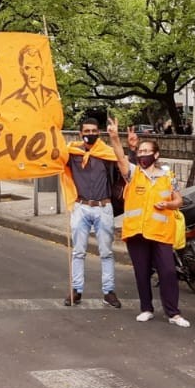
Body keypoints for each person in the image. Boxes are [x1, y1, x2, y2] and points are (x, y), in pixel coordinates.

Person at [107, 121, 189, 326]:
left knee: (168, 272)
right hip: (137, 232)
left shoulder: (168, 176)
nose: (143, 154)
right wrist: (115, 138)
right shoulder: (134, 174)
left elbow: (179, 200)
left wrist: (169, 204)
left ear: (156, 155)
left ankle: (173, 313)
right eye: (140, 151)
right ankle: (146, 308)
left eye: (147, 151)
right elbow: (119, 158)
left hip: (161, 232)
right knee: (141, 271)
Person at [59, 116, 122, 308]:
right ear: (81, 133)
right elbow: (53, 156)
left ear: (99, 132)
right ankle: (76, 290)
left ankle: (108, 291)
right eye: (87, 131)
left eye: (94, 131)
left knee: (106, 252)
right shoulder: (72, 153)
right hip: (81, 207)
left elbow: (123, 162)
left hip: (103, 207)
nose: (90, 134)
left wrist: (119, 139)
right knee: (78, 252)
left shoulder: (107, 153)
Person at [5, 45, 61, 113]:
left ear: (42, 70)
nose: (33, 74)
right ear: (21, 71)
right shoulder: (12, 101)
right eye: (27, 68)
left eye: (37, 68)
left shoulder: (53, 96)